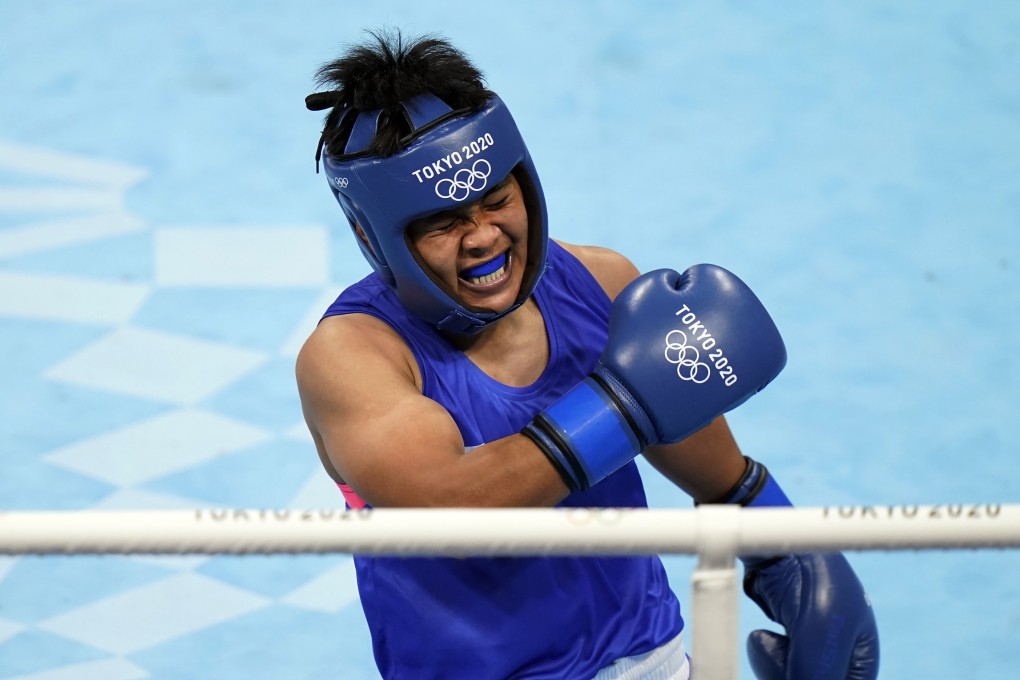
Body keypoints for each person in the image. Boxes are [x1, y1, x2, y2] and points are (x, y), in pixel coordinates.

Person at [296, 30, 879, 680]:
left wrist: (787, 552)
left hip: (653, 660)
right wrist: (621, 406)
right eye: (443, 222)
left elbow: (699, 449)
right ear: (373, 233)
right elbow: (450, 507)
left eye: (497, 200)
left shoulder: (599, 283)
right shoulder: (352, 358)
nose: (484, 238)